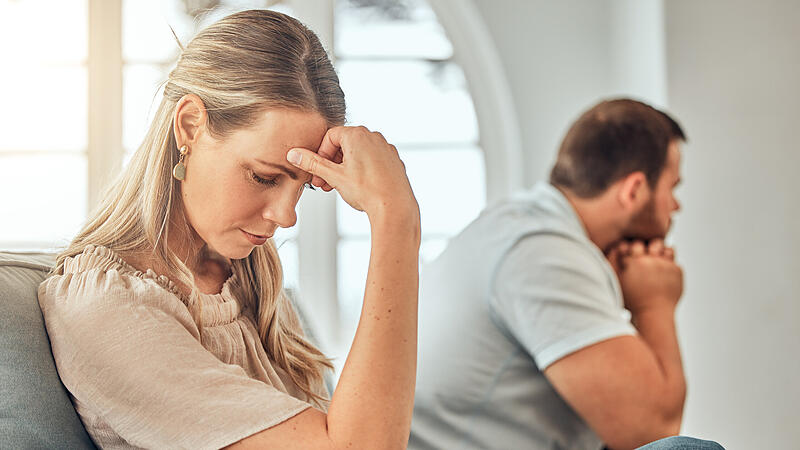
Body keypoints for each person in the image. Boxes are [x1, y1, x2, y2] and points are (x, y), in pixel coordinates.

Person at [38, 10, 420, 449]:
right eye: (263, 176)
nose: (287, 215)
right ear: (190, 127)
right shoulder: (109, 308)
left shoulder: (245, 276)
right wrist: (395, 219)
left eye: (303, 186)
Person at [409, 99, 722, 449]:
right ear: (633, 190)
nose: (675, 206)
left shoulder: (517, 226)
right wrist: (654, 304)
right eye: (672, 188)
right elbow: (654, 430)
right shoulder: (541, 254)